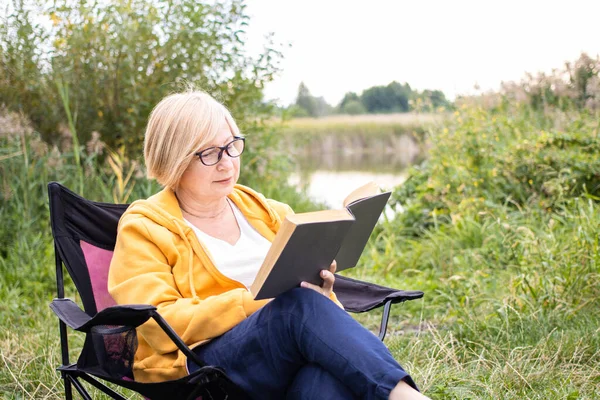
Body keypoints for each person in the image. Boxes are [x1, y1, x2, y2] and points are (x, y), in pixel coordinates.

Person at [108, 90, 429, 400]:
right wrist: (258, 300)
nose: (227, 163)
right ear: (174, 158)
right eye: (209, 153)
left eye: (232, 146)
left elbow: (315, 311)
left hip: (281, 357)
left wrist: (324, 292)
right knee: (297, 305)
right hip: (200, 365)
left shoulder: (271, 214)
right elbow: (157, 324)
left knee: (322, 378)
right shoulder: (145, 227)